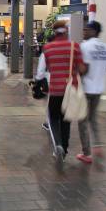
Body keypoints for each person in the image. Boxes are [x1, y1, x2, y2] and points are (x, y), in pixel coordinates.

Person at [38, 20, 86, 167]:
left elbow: (43, 71)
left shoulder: (47, 48)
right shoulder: (74, 46)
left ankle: (57, 144)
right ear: (66, 30)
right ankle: (64, 150)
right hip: (70, 90)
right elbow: (82, 69)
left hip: (55, 91)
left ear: (54, 32)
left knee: (53, 120)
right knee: (66, 121)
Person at [77, 21, 106, 163]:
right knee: (93, 118)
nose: (84, 32)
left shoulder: (85, 46)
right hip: (99, 89)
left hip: (86, 89)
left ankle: (87, 153)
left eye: (86, 30)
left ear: (94, 31)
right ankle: (97, 144)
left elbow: (84, 69)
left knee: (82, 121)